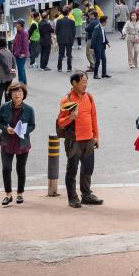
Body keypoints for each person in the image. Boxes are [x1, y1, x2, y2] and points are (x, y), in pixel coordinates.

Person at [57, 72, 103, 208]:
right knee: (72, 170)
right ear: (74, 83)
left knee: (88, 169)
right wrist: (70, 117)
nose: (85, 84)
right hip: (74, 141)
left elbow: (93, 116)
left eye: (86, 81)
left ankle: (86, 194)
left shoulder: (89, 97)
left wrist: (96, 136)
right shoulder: (66, 101)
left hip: (89, 139)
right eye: (83, 81)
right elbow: (60, 122)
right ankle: (73, 198)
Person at [0, 82, 35, 207]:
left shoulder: (29, 109)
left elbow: (32, 125)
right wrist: (6, 129)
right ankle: (8, 194)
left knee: (20, 169)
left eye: (20, 92)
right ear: (10, 94)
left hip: (22, 142)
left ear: (24, 94)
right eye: (14, 92)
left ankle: (20, 193)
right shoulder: (4, 107)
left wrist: (24, 131)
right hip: (7, 141)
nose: (17, 94)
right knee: (6, 168)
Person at [0, 37, 15, 110]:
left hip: (3, 76)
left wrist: (8, 70)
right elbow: (13, 61)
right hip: (10, 76)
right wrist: (13, 70)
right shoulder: (9, 51)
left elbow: (4, 64)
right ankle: (7, 105)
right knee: (7, 90)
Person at [55, 6, 75, 73]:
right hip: (69, 40)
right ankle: (69, 68)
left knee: (60, 54)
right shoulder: (72, 21)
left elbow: (56, 31)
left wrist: (58, 36)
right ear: (68, 14)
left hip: (61, 39)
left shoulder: (59, 21)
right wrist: (72, 40)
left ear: (62, 14)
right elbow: (73, 32)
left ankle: (59, 68)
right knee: (69, 54)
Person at [11, 19, 29, 84]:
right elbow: (15, 43)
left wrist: (24, 53)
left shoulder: (24, 33)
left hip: (21, 55)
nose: (16, 25)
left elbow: (26, 44)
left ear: (20, 25)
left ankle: (21, 82)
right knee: (21, 69)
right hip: (17, 54)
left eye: (17, 23)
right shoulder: (18, 32)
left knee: (21, 69)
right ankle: (23, 82)